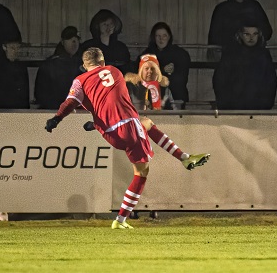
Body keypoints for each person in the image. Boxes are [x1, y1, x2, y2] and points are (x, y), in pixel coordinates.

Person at [44, 48, 209, 229]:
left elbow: (71, 103)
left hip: (110, 133)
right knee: (141, 172)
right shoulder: (114, 71)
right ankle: (121, 220)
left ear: (84, 66)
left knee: (146, 122)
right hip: (127, 128)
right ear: (103, 62)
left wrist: (56, 118)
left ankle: (184, 157)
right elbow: (115, 98)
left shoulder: (80, 80)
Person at [212, 23, 277, 110]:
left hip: (259, 108)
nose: (251, 37)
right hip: (233, 108)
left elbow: (271, 81)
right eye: (247, 34)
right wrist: (226, 104)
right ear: (240, 35)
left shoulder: (264, 55)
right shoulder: (231, 55)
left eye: (255, 34)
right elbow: (220, 80)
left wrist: (266, 104)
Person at [207, 0, 273, 50]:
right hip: (230, 53)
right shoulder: (221, 9)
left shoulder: (255, 7)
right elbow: (214, 36)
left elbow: (267, 31)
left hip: (254, 53)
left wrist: (252, 37)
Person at [137, 22, 190, 109]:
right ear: (154, 37)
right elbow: (140, 74)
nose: (161, 39)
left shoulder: (180, 54)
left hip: (176, 98)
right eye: (158, 36)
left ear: (169, 37)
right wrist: (162, 71)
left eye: (164, 36)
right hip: (152, 99)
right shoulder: (147, 54)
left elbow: (182, 77)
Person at [35, 26, 83, 109]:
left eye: (76, 39)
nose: (74, 42)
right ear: (62, 42)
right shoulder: (50, 65)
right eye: (70, 39)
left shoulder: (83, 65)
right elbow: (41, 94)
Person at [80, 9, 130, 73]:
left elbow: (127, 67)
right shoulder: (88, 47)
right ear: (98, 26)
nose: (108, 27)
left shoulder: (121, 47)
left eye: (111, 24)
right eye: (104, 24)